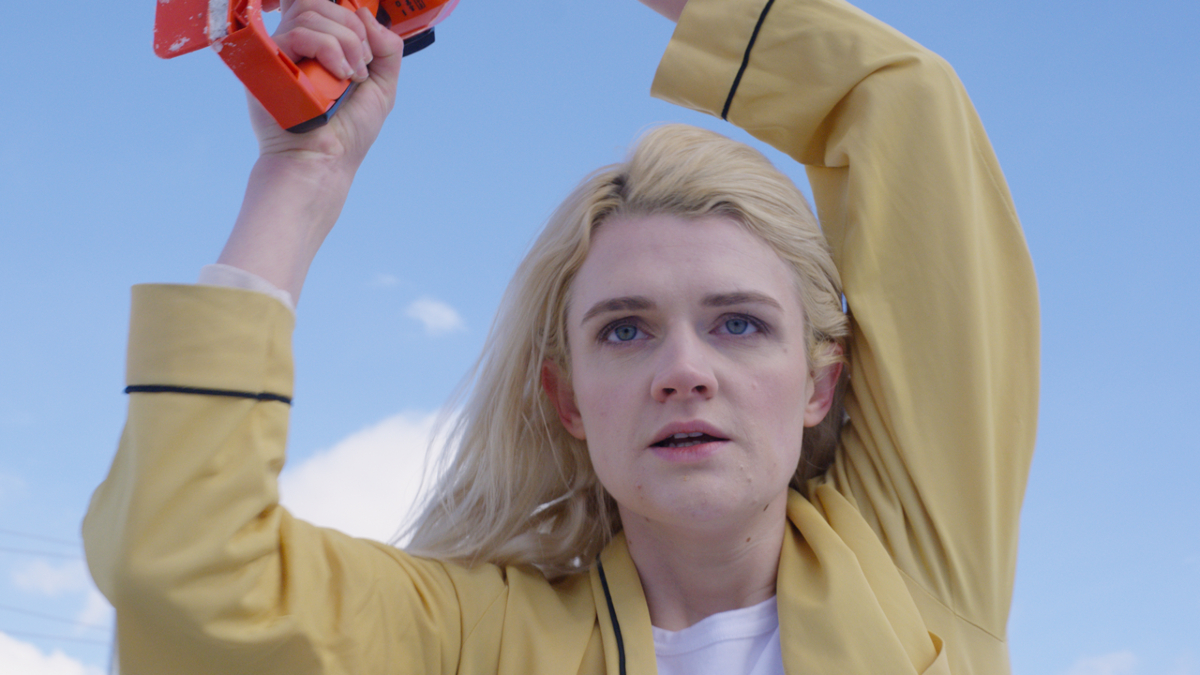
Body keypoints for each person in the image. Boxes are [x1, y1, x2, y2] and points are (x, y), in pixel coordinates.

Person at [83, 0, 1039, 673]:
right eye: (625, 330)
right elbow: (181, 572)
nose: (684, 371)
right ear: (567, 397)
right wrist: (301, 177)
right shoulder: (476, 639)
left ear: (820, 382)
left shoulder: (916, 569)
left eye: (740, 323)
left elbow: (909, 105)